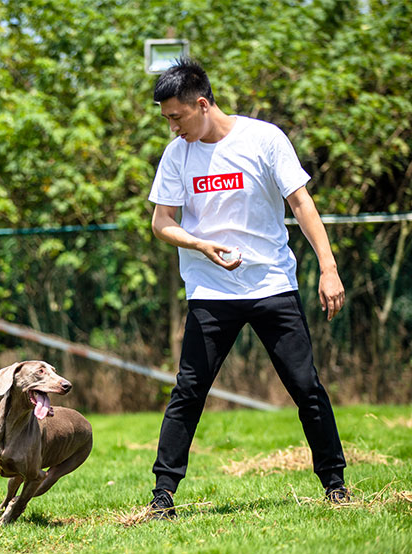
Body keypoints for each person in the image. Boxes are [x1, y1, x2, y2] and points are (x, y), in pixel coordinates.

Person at [146, 58, 350, 519]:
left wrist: (328, 266)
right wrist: (200, 244)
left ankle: (335, 484)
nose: (173, 127)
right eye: (167, 119)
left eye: (177, 116)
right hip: (211, 291)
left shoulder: (264, 139)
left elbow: (301, 202)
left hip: (271, 283)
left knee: (306, 386)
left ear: (203, 104)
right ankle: (162, 495)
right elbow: (161, 223)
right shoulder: (177, 155)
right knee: (189, 390)